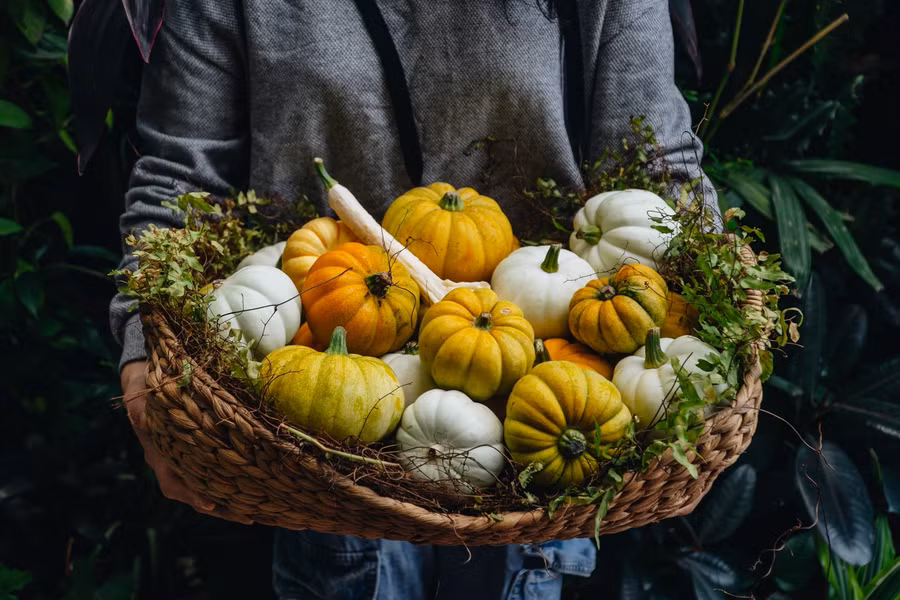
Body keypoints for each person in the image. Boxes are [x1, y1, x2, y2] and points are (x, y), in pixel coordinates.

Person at [114, 1, 714, 598]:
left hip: (546, 402)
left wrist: (724, 317)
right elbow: (183, 178)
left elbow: (659, 168)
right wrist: (144, 356)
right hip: (321, 416)